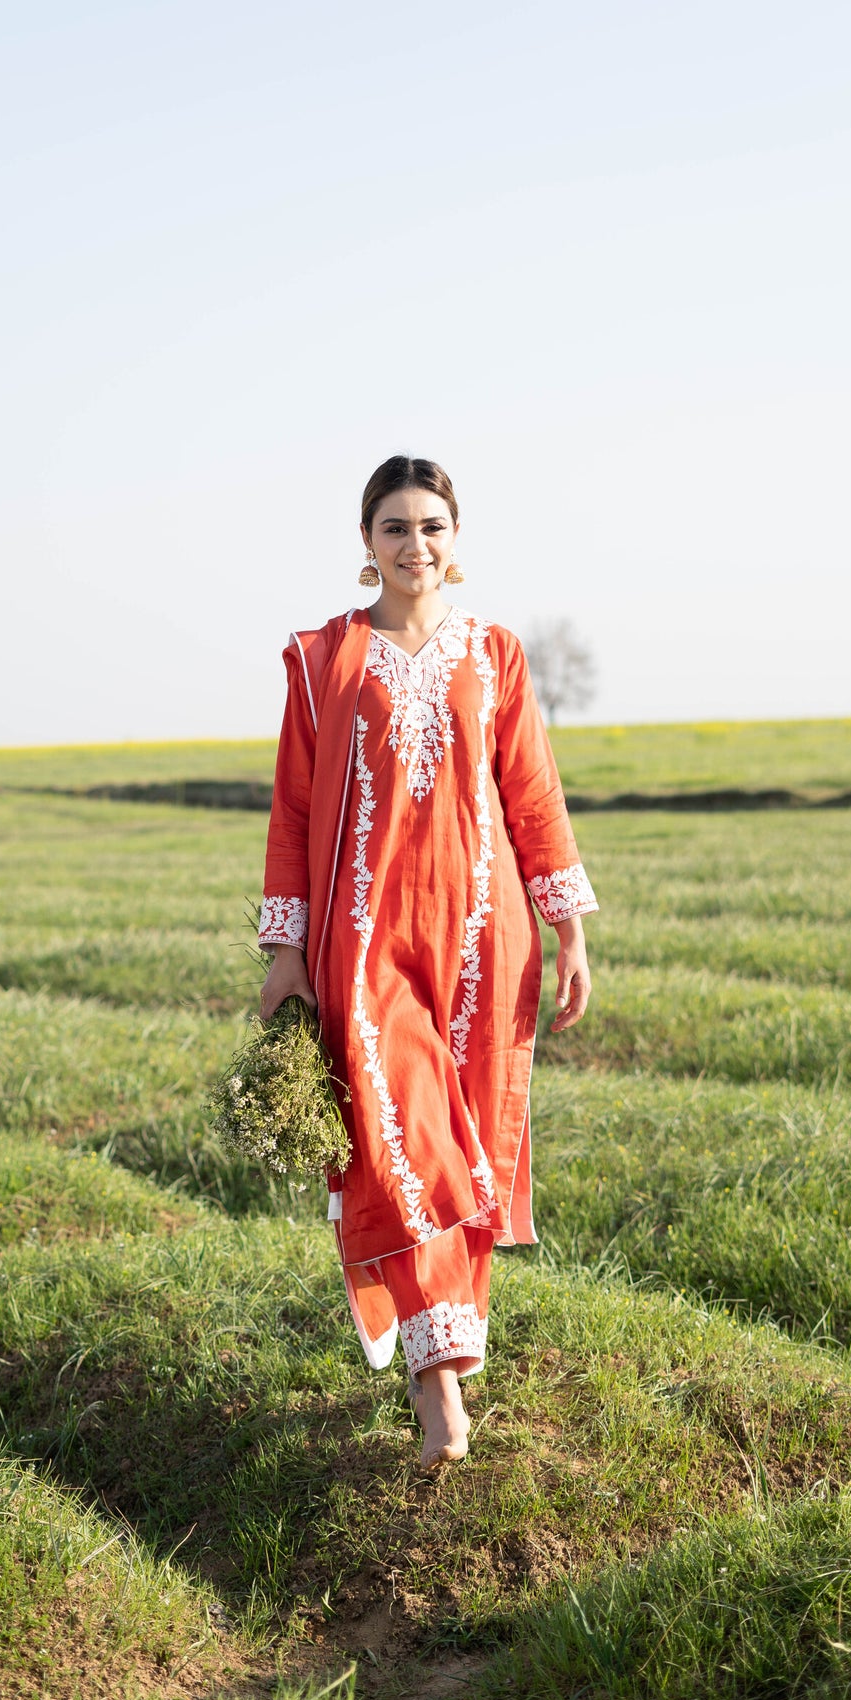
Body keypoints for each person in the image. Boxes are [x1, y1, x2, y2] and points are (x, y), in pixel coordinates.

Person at [257, 455, 596, 1469]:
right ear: (365, 542)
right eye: (395, 526)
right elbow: (295, 807)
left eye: (432, 526)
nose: (415, 545)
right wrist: (283, 948)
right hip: (363, 941)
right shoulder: (325, 657)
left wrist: (566, 921)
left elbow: (528, 791)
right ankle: (435, 1379)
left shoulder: (494, 652)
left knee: (468, 1147)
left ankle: (443, 1344)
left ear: (456, 537)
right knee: (396, 1139)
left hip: (481, 933)